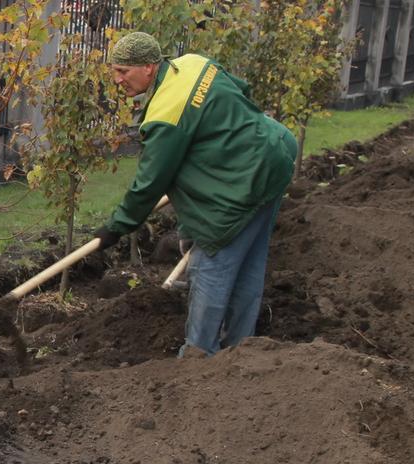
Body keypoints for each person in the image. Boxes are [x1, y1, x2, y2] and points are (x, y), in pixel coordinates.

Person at [93, 32, 298, 357]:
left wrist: (116, 227)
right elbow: (242, 90)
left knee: (211, 262)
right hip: (275, 152)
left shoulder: (165, 114)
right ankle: (241, 351)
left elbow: (150, 182)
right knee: (249, 264)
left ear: (148, 67)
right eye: (114, 71)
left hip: (246, 181)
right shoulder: (192, 64)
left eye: (123, 71)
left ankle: (199, 354)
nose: (117, 80)